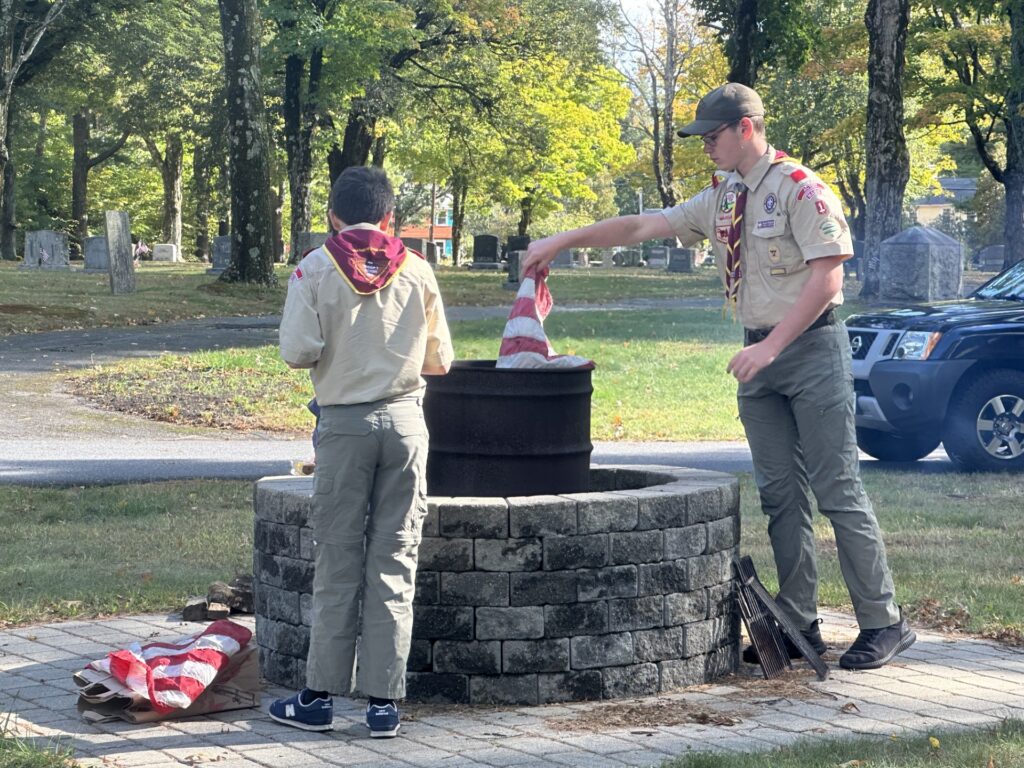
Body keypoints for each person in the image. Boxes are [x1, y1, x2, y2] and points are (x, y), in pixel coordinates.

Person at [522, 83, 915, 671]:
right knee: (781, 496)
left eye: (712, 136)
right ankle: (799, 618)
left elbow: (828, 279)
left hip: (809, 350)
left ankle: (884, 622)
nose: (706, 146)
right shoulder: (726, 196)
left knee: (837, 490)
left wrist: (773, 348)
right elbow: (642, 227)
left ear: (746, 129)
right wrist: (563, 239)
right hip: (757, 358)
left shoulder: (801, 189)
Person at [273, 166, 454, 736]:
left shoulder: (315, 266)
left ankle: (319, 697)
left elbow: (298, 351)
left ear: (332, 216)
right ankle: (383, 703)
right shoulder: (418, 270)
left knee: (339, 559)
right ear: (389, 218)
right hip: (405, 426)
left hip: (345, 425)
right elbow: (440, 361)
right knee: (394, 559)